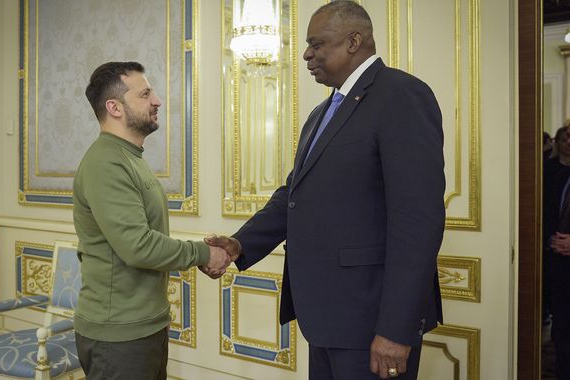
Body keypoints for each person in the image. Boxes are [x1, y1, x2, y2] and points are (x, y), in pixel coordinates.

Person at [205, 2, 445, 379]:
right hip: (326, 317)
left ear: (354, 41)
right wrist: (240, 243)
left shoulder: (401, 95)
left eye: (317, 44)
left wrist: (396, 330)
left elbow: (418, 222)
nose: (306, 54)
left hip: (371, 323)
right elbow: (294, 196)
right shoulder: (322, 113)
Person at [73, 61, 231, 380]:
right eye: (145, 94)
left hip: (144, 325)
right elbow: (138, 247)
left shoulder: (131, 158)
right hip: (118, 333)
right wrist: (204, 253)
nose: (157, 100)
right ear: (114, 107)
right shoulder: (106, 163)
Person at [544, 115, 570, 380]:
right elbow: (550, 215)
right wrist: (549, 239)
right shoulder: (566, 172)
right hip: (561, 274)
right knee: (563, 338)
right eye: (569, 134)